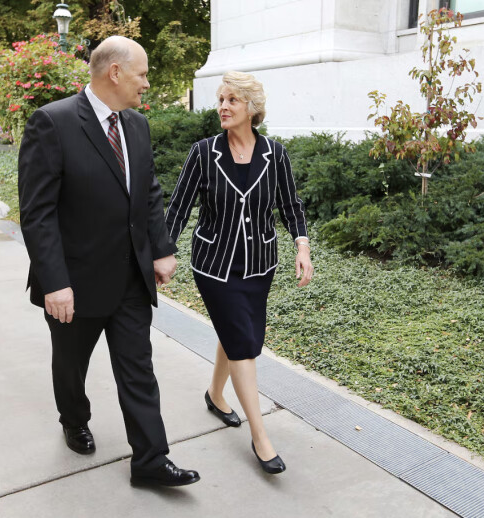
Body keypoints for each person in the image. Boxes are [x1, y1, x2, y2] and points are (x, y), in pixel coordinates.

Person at [18, 36, 199, 487]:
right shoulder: (53, 122)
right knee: (71, 365)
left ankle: (151, 460)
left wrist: (161, 248)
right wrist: (54, 281)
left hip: (131, 278)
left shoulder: (136, 125)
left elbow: (148, 192)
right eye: (142, 73)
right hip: (74, 285)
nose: (147, 82)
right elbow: (37, 213)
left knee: (139, 368)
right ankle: (73, 418)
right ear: (115, 72)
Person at [165, 71, 314, 474]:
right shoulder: (203, 152)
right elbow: (178, 207)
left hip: (259, 263)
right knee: (245, 344)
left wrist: (303, 246)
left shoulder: (275, 154)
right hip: (213, 265)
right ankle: (260, 436)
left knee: (236, 333)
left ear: (252, 108)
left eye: (231, 100)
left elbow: (291, 205)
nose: (223, 107)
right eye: (220, 99)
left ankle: (216, 393)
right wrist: (161, 252)